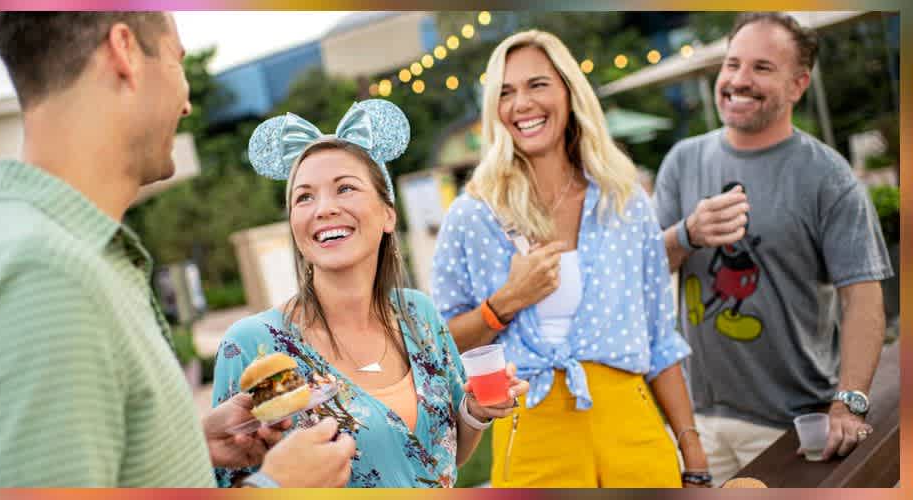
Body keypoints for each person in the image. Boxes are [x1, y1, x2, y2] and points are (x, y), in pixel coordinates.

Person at [0, 12, 352, 487]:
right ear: (124, 51)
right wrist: (278, 489)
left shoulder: (21, 242)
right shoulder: (42, 274)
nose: (186, 100)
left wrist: (182, 444)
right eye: (176, 61)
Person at [431, 30, 709, 488]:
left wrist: (693, 453)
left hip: (633, 427)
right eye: (506, 91)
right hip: (533, 430)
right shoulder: (473, 215)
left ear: (568, 91)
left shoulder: (624, 202)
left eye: (537, 84)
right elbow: (439, 345)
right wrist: (504, 303)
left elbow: (661, 339)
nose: (522, 103)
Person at [212, 99, 529, 488]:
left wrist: (476, 411)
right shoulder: (258, 348)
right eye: (304, 197)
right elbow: (233, 481)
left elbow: (441, 458)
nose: (324, 208)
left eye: (345, 188)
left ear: (387, 214)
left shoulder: (419, 316)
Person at [654, 12, 893, 486]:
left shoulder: (830, 178)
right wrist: (688, 233)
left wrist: (849, 402)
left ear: (798, 84)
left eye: (762, 68)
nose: (738, 80)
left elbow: (862, 298)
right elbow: (642, 268)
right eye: (732, 64)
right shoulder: (683, 160)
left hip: (788, 424)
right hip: (691, 420)